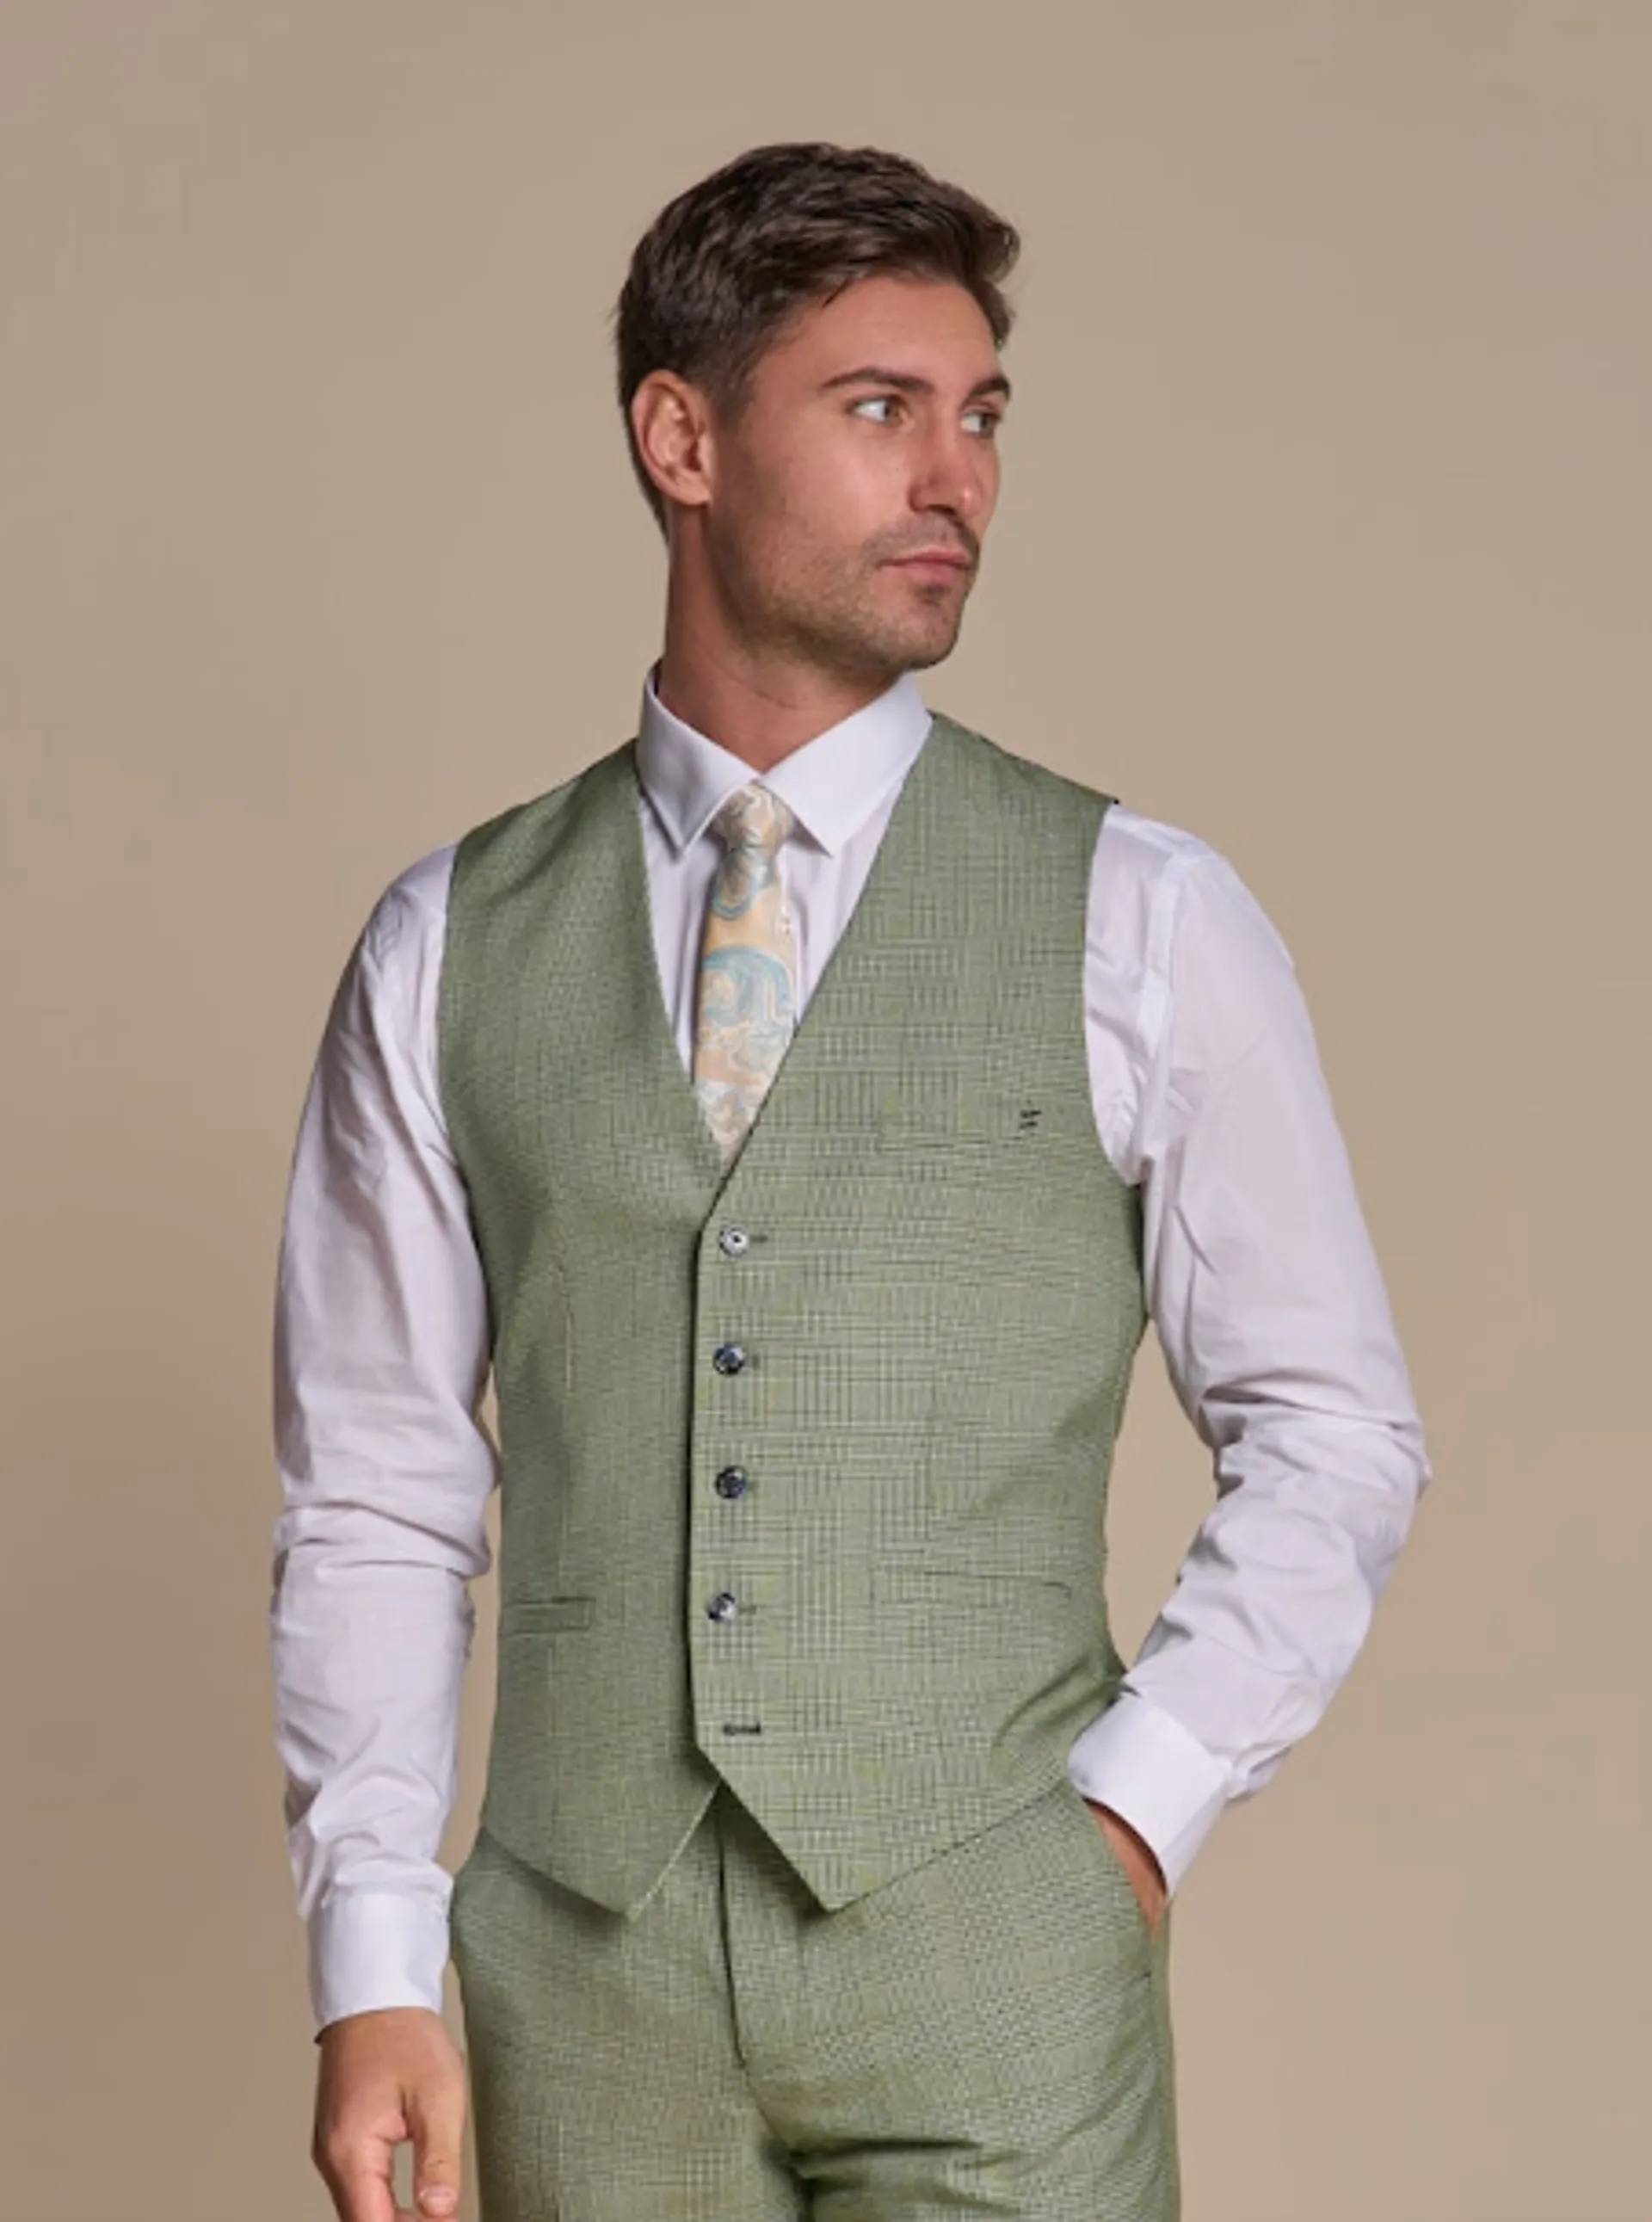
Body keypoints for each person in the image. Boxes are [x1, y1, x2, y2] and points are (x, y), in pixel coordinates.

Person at [269, 140, 1433, 2222]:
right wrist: (373, 1958)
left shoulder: (1142, 914)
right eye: (882, 408)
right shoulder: (449, 940)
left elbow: (1334, 1428)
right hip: (578, 1985)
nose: (955, 478)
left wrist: (1131, 1819)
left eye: (981, 416)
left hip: (997, 1967)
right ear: (682, 438)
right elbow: (375, 1485)